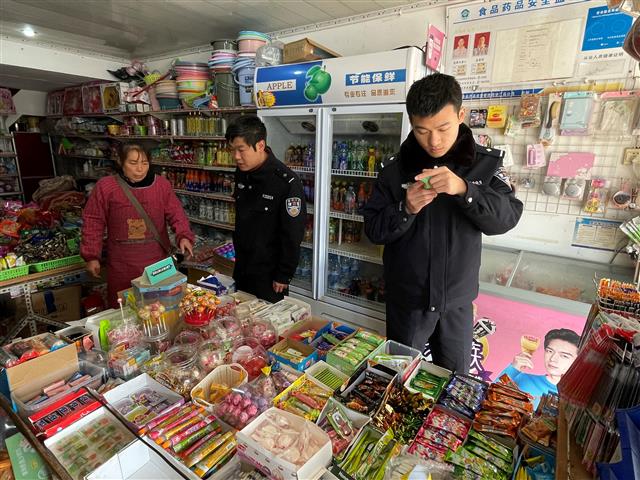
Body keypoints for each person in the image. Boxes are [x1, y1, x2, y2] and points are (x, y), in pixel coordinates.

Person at [363, 73, 523, 373]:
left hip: (457, 303)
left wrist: (466, 189)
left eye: (443, 128)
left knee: (456, 381)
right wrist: (405, 208)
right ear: (411, 123)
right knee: (398, 375)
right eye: (422, 131)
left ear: (461, 116)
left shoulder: (486, 164)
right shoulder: (394, 170)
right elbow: (373, 230)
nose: (433, 141)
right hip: (407, 301)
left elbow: (507, 217)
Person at [81, 144, 194, 308]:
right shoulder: (106, 186)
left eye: (144, 163)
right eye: (133, 163)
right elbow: (93, 220)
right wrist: (91, 256)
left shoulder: (161, 185)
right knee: (124, 311)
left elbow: (176, 213)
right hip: (121, 264)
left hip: (157, 263)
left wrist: (183, 236)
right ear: (121, 162)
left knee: (162, 309)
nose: (140, 169)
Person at [226, 116, 306, 303]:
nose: (236, 157)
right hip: (242, 267)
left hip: (269, 276)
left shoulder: (286, 182)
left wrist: (284, 274)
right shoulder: (242, 172)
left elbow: (293, 234)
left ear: (260, 145)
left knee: (268, 319)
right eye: (232, 150)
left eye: (241, 150)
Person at [500, 329, 580, 408]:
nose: (553, 359)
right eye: (549, 351)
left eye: (564, 356)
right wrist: (513, 368)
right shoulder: (522, 378)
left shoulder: (580, 397)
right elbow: (493, 397)